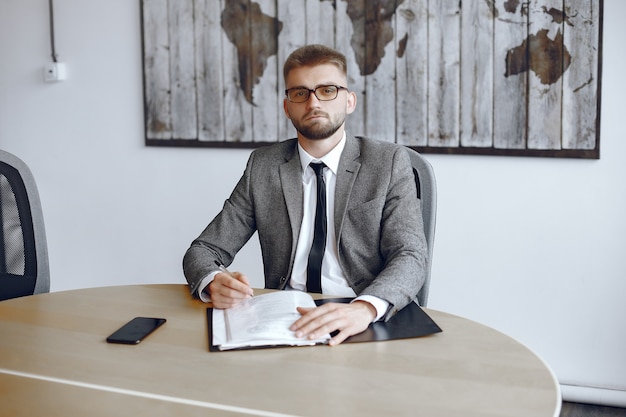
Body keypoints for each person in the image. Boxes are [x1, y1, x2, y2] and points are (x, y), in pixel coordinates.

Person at [183, 44, 427, 346]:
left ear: (349, 101)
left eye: (327, 90)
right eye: (300, 93)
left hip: (363, 315)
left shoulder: (388, 163)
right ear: (287, 107)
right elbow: (204, 250)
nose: (313, 103)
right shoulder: (264, 166)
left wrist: (364, 308)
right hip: (286, 318)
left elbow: (411, 256)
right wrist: (213, 281)